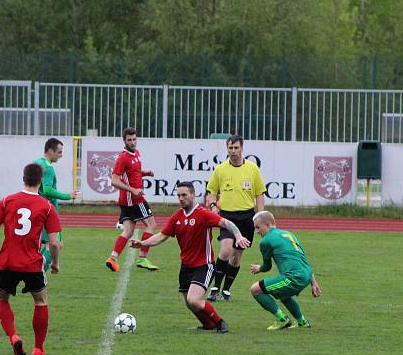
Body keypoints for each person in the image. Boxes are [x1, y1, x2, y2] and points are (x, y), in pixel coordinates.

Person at [130, 181, 250, 333]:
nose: (181, 198)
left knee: (194, 300)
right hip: (186, 266)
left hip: (204, 265)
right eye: (178, 195)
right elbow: (161, 236)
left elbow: (227, 223)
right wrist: (142, 243)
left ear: (193, 195)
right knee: (189, 303)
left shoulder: (204, 214)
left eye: (184, 195)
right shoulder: (177, 216)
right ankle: (208, 325)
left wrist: (238, 236)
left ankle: (220, 323)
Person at [0, 163, 62, 355]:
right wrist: (55, 263)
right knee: (41, 301)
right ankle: (38, 349)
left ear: (23, 178)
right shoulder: (47, 206)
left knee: (1, 299)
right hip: (32, 264)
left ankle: (14, 337)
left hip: (8, 263)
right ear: (40, 181)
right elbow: (54, 243)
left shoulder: (7, 201)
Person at [205, 134, 266, 301]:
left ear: (242, 148)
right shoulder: (220, 169)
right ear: (227, 149)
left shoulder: (252, 169)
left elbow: (259, 194)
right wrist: (212, 207)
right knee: (225, 249)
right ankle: (215, 287)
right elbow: (211, 192)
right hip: (226, 216)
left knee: (236, 257)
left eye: (236, 148)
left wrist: (260, 216)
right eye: (230, 148)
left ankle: (226, 289)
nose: (233, 151)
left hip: (247, 217)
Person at [249, 211, 321, 330]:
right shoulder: (289, 234)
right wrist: (313, 283)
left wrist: (259, 268)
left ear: (267, 225)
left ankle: (282, 319)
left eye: (258, 227)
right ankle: (301, 322)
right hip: (306, 274)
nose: (257, 231)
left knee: (255, 289)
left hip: (294, 277)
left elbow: (267, 267)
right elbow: (303, 258)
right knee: (283, 294)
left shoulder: (265, 241)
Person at [105, 127, 159, 272]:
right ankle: (142, 258)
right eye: (129, 140)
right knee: (151, 225)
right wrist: (133, 190)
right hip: (134, 199)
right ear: (124, 140)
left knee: (128, 231)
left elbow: (132, 172)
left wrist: (144, 173)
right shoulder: (123, 158)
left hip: (128, 200)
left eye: (134, 139)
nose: (133, 142)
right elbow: (114, 181)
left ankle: (112, 258)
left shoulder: (136, 154)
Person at [35, 137, 79, 271]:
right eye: (59, 152)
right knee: (56, 245)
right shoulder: (48, 168)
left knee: (47, 245)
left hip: (38, 208)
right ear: (50, 151)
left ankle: (34, 271)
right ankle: (36, 273)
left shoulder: (37, 163)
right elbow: (47, 189)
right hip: (47, 211)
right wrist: (67, 196)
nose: (61, 155)